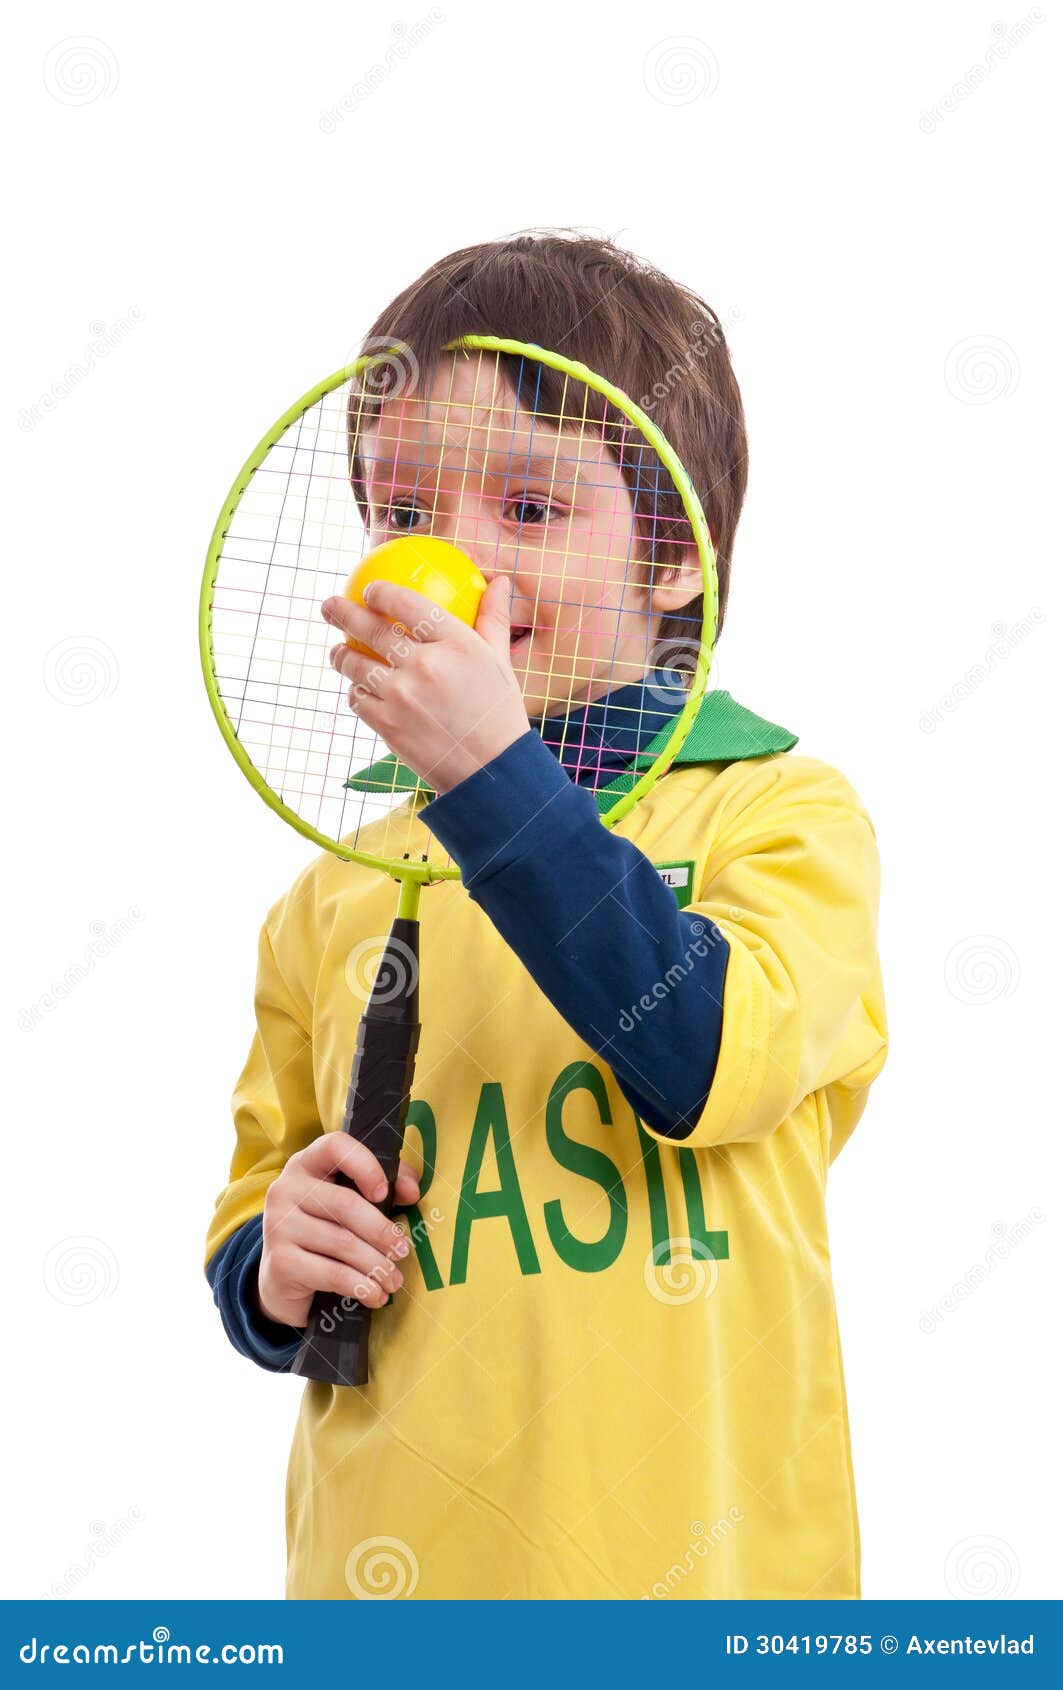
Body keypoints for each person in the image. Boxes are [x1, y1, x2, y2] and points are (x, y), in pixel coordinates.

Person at [205, 231, 888, 1599]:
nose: (455, 558)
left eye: (528, 508)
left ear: (675, 562)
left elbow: (701, 1058)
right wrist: (274, 1263)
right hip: (383, 1601)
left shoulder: (782, 818)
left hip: (704, 1598)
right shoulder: (331, 894)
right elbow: (256, 1199)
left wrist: (491, 779)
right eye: (407, 508)